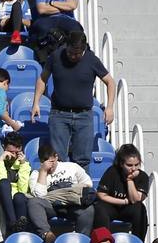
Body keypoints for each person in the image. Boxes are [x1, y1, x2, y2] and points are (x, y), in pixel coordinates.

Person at [31, 30, 115, 170]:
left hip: (84, 115)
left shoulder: (91, 59)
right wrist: (36, 103)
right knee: (58, 159)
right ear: (67, 46)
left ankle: (82, 192)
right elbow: (42, 78)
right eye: (70, 52)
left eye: (77, 54)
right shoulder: (56, 56)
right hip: (59, 114)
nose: (73, 56)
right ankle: (61, 191)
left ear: (83, 50)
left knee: (82, 160)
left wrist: (110, 107)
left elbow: (110, 82)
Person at [93, 143, 151, 238]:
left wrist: (129, 180)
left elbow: (135, 200)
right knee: (100, 208)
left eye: (136, 165)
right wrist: (123, 201)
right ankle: (103, 241)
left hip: (129, 208)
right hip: (112, 206)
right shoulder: (112, 172)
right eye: (129, 165)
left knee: (140, 209)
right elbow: (101, 194)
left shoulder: (142, 176)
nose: (133, 168)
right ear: (121, 164)